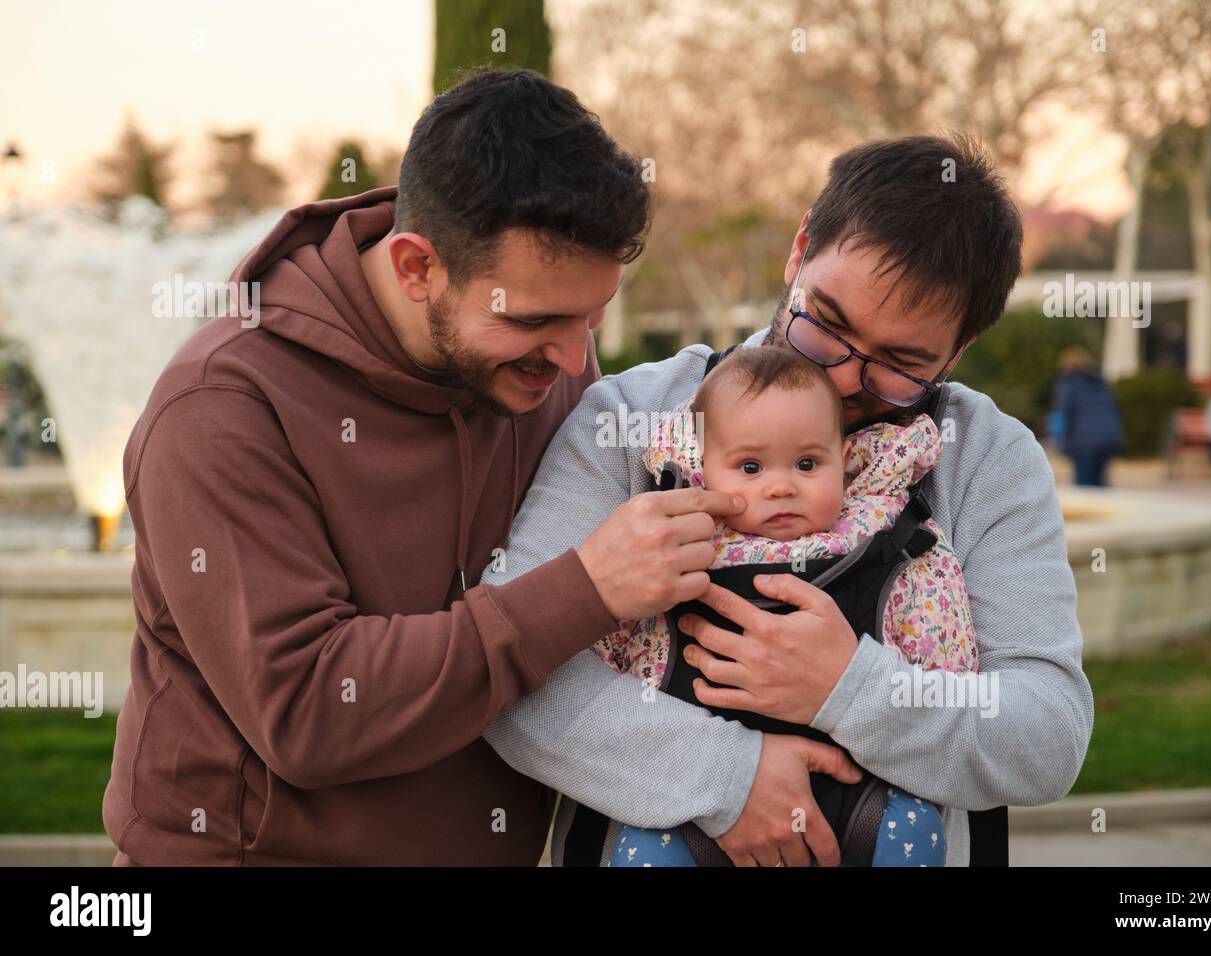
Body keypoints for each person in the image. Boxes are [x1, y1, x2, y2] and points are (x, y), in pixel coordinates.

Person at [103, 68, 745, 865]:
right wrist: (584, 589)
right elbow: (309, 712)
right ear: (416, 267)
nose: (578, 358)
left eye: (593, 315)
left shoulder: (548, 369)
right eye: (540, 319)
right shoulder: (221, 411)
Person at [483, 133, 1094, 867]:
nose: (839, 383)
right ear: (800, 247)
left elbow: (1048, 736)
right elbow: (513, 677)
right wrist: (732, 779)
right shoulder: (632, 419)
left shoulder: (989, 458)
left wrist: (849, 689)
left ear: (956, 354)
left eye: (901, 366)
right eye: (826, 325)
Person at [600, 346, 975, 867]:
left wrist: (903, 690)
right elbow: (620, 638)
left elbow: (935, 627)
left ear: (845, 461)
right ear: (703, 467)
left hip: (857, 798)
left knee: (912, 826)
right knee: (641, 848)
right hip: (691, 807)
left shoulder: (888, 537)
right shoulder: (676, 541)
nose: (780, 486)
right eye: (750, 467)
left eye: (806, 463)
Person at [1050, 347, 1123, 487]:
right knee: (1100, 485)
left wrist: (1058, 440)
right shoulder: (1101, 383)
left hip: (1083, 441)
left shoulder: (1068, 384)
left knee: (1084, 489)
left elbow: (1062, 414)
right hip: (1108, 439)